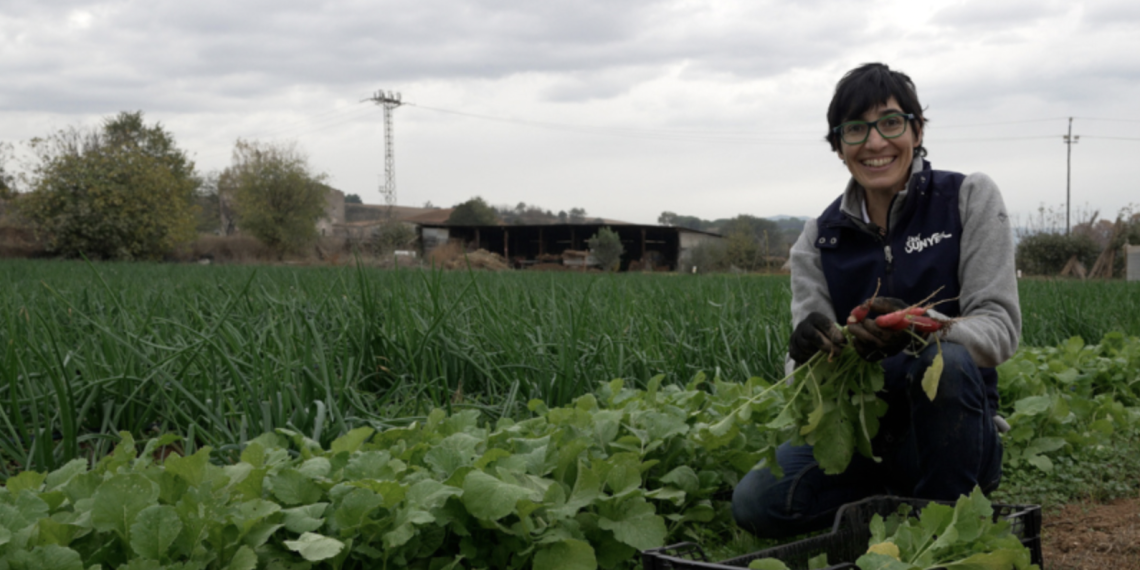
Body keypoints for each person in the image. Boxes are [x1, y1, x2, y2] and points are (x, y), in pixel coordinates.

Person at [731, 63, 1021, 539]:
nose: (874, 143)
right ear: (839, 146)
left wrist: (918, 328)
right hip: (863, 439)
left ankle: (946, 513)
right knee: (757, 501)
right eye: (855, 129)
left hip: (957, 431)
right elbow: (802, 377)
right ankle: (892, 492)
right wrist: (806, 352)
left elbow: (999, 328)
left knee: (945, 363)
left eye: (890, 122)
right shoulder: (817, 239)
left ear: (916, 129)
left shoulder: (967, 198)